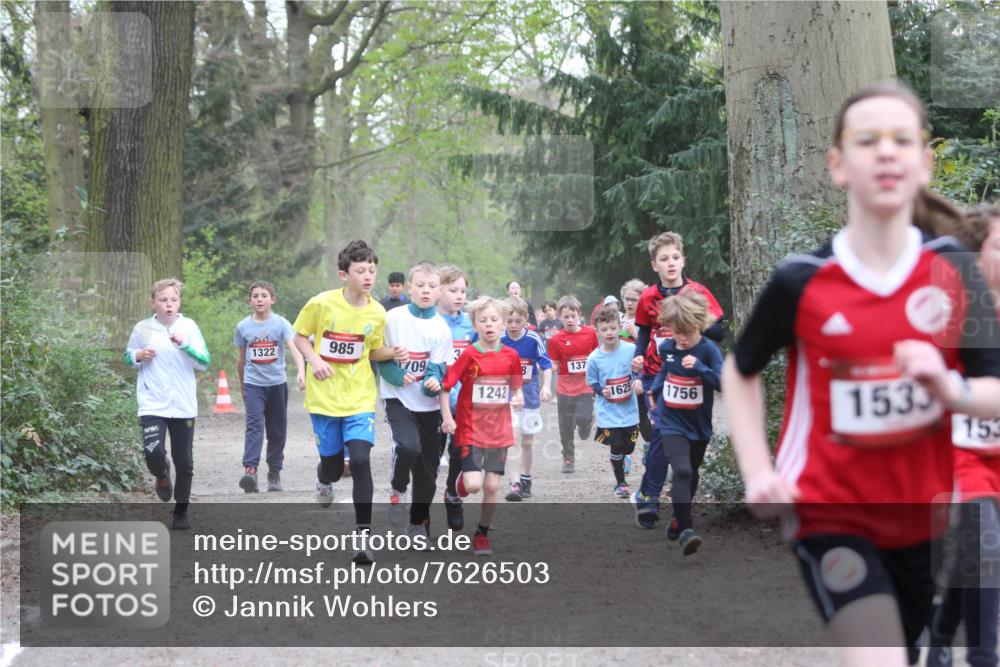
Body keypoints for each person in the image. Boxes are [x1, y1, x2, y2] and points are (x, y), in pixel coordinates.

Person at [722, 82, 1000, 667]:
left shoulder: (952, 271)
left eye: (902, 139)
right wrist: (758, 469)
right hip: (828, 510)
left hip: (924, 517)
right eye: (866, 139)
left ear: (923, 163)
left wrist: (948, 388)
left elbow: (993, 389)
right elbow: (740, 369)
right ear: (838, 164)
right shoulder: (802, 280)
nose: (886, 151)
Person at [293, 239, 407, 565]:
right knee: (332, 466)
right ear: (344, 274)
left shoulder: (377, 311)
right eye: (361, 270)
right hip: (324, 398)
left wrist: (393, 352)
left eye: (372, 270)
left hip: (359, 397)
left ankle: (363, 538)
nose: (368, 276)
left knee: (359, 460)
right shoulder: (321, 304)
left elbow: (372, 351)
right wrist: (314, 360)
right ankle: (323, 477)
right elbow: (299, 336)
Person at [927, 202, 1000, 667]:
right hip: (961, 453)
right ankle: (983, 657)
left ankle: (938, 633)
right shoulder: (946, 313)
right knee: (985, 548)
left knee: (975, 561)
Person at [632, 231, 724, 526]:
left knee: (691, 444)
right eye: (664, 259)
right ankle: (651, 499)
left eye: (675, 258)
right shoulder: (648, 296)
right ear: (654, 265)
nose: (670, 263)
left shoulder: (698, 293)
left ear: (683, 260)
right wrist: (638, 354)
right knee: (660, 433)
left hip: (691, 375)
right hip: (657, 373)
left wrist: (692, 323)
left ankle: (667, 501)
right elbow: (644, 330)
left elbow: (719, 332)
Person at [440, 296, 524, 555]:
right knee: (474, 485)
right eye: (483, 320)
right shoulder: (469, 354)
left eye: (494, 320)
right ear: (474, 325)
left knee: (491, 487)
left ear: (503, 324)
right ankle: (455, 488)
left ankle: (482, 534)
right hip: (470, 429)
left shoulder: (511, 356)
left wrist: (518, 396)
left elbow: (516, 387)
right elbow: (446, 387)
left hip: (498, 431)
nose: (489, 325)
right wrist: (447, 417)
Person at [125, 278, 211, 531]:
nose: (168, 305)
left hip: (183, 405)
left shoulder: (190, 327)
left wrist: (184, 345)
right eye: (163, 300)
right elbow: (128, 356)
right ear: (153, 302)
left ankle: (181, 511)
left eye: (173, 300)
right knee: (153, 454)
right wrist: (138, 356)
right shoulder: (143, 328)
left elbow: (205, 362)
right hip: (153, 403)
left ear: (179, 302)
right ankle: (162, 473)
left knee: (185, 463)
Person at [376, 262, 452, 539]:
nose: (425, 291)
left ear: (439, 291)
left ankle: (417, 525)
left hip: (428, 407)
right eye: (420, 285)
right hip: (398, 398)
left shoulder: (441, 328)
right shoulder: (393, 318)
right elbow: (379, 355)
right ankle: (397, 489)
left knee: (428, 472)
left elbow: (437, 368)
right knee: (408, 447)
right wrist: (397, 375)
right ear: (409, 287)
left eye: (432, 287)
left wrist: (433, 384)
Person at [645, 292, 722, 555]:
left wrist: (700, 367)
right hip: (671, 422)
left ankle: (679, 518)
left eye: (688, 332)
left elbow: (723, 384)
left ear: (699, 324)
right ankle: (687, 530)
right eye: (677, 332)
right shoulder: (668, 348)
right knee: (682, 471)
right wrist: (654, 391)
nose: (682, 338)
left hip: (699, 426)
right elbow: (664, 372)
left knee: (692, 473)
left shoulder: (709, 350)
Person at [234, 281, 305, 493]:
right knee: (254, 426)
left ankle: (274, 473)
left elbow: (294, 347)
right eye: (255, 296)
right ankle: (250, 471)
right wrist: (242, 386)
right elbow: (240, 360)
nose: (259, 299)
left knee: (277, 431)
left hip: (277, 385)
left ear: (272, 299)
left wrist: (301, 371)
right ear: (250, 301)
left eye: (263, 295)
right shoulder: (243, 327)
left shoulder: (281, 323)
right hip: (253, 384)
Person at [585, 306, 643, 499]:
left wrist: (638, 379)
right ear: (598, 331)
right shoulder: (594, 358)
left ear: (619, 328)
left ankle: (625, 457)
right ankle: (621, 483)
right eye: (604, 329)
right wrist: (603, 391)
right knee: (616, 445)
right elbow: (592, 382)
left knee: (629, 447)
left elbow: (640, 369)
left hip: (629, 409)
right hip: (608, 411)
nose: (609, 332)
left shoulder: (631, 349)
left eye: (612, 328)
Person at [436, 265, 476, 531]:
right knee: (428, 459)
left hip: (463, 404)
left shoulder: (470, 324)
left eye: (463, 290)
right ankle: (421, 516)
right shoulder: (431, 323)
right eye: (453, 290)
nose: (459, 295)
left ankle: (452, 494)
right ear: (439, 291)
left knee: (459, 456)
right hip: (432, 403)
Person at [501, 295, 553, 501]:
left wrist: (547, 387)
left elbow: (546, 364)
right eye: (509, 321)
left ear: (526, 320)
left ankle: (526, 477)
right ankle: (514, 483)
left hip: (530, 394)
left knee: (527, 441)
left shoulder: (533, 339)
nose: (513, 325)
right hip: (506, 396)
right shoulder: (499, 338)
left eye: (517, 321)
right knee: (512, 439)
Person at [546, 295, 599, 473]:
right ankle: (568, 458)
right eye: (566, 316)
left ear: (579, 315)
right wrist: (548, 369)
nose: (569, 320)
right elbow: (553, 362)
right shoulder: (555, 340)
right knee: (565, 426)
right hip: (564, 388)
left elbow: (597, 356)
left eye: (573, 316)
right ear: (560, 317)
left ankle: (586, 424)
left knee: (582, 418)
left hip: (585, 386)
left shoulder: (590, 333)